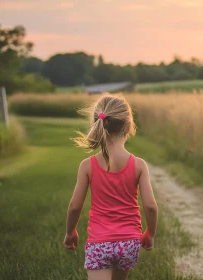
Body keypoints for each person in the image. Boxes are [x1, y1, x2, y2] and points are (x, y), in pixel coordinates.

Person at [63, 93, 158, 280]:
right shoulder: (139, 165)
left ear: (97, 124)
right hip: (129, 242)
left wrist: (70, 232)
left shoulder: (87, 165)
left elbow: (75, 205)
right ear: (129, 126)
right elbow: (150, 206)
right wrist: (150, 233)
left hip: (100, 242)